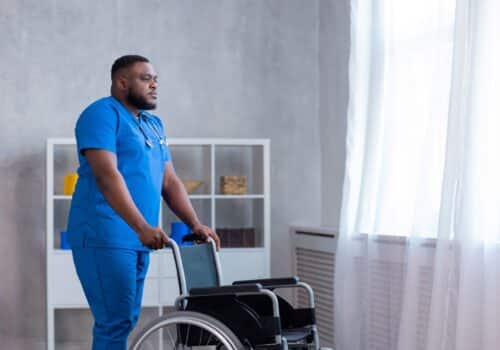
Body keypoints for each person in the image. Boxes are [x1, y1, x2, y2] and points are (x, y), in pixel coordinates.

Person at [66, 54, 220, 350]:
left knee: (125, 318)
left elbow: (169, 181)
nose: (154, 85)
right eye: (146, 78)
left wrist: (194, 223)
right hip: (105, 234)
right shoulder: (101, 114)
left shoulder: (153, 124)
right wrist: (141, 227)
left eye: (156, 79)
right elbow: (106, 175)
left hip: (139, 238)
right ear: (122, 82)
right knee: (114, 322)